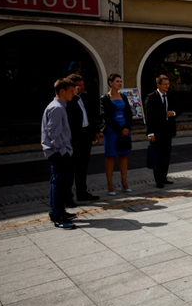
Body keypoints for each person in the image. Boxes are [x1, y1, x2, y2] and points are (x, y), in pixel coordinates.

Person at [42, 78, 78, 229]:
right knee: (59, 184)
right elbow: (54, 134)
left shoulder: (59, 106)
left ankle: (58, 211)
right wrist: (63, 151)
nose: (73, 93)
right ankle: (58, 216)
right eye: (71, 91)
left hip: (57, 151)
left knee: (58, 183)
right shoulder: (57, 108)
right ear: (62, 91)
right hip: (57, 152)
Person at [65, 74, 100, 203]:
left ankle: (82, 192)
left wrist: (95, 131)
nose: (83, 87)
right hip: (74, 138)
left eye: (82, 85)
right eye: (79, 85)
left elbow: (91, 114)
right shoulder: (68, 101)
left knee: (83, 165)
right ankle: (68, 196)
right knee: (70, 168)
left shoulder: (85, 97)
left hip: (86, 134)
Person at [144, 74, 180, 188]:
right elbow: (148, 116)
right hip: (157, 131)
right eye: (164, 84)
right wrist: (150, 132)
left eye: (168, 84)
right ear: (158, 84)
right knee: (157, 156)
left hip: (168, 131)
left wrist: (173, 113)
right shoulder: (152, 97)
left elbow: (179, 108)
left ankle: (164, 177)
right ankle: (158, 180)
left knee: (166, 155)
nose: (167, 86)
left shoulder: (170, 96)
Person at [100, 73, 132, 196]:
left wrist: (127, 128)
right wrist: (120, 130)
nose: (120, 83)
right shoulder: (104, 98)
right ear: (110, 83)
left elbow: (129, 113)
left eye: (120, 81)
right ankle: (110, 184)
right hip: (112, 130)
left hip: (125, 129)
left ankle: (124, 182)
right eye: (117, 81)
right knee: (111, 156)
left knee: (124, 155)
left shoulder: (123, 97)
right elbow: (106, 117)